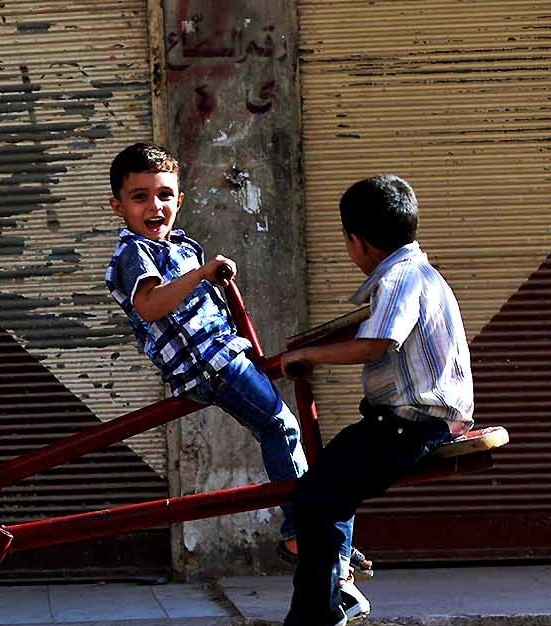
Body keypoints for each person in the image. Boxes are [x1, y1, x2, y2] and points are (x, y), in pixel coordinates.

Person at [105, 142, 369, 574]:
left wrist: (211, 278)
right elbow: (150, 306)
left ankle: (317, 528)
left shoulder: (182, 247)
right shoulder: (133, 253)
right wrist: (203, 273)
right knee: (281, 427)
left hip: (223, 354)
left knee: (283, 429)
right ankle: (302, 531)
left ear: (180, 199)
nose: (155, 206)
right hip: (209, 363)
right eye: (140, 197)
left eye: (165, 195)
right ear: (118, 206)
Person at [263, 175, 473, 626]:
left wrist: (310, 355)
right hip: (408, 419)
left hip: (414, 421)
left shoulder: (401, 277)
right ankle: (338, 584)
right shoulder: (418, 270)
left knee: (317, 496)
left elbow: (381, 342)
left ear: (356, 240)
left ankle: (319, 609)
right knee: (332, 480)